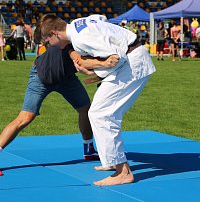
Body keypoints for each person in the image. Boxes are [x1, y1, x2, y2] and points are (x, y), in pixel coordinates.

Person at [0, 25, 119, 176]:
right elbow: (82, 65)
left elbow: (85, 67)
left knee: (86, 109)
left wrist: (104, 70)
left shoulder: (89, 42)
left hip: (66, 78)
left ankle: (88, 148)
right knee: (25, 117)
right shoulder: (68, 39)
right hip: (42, 76)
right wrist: (105, 64)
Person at [41, 14, 156, 186]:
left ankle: (122, 171)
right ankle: (111, 160)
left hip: (131, 64)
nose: (49, 45)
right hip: (131, 58)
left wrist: (94, 72)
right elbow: (101, 18)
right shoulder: (80, 23)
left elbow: (116, 58)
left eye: (48, 40)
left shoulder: (80, 39)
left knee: (101, 114)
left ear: (54, 33)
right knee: (101, 113)